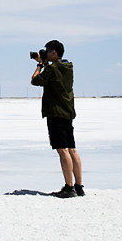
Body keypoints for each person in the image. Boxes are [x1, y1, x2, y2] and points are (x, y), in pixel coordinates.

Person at [29, 40, 82, 198]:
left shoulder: (52, 69)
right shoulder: (68, 67)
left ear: (54, 52)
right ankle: (79, 186)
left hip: (56, 113)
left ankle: (69, 187)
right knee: (72, 149)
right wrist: (46, 63)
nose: (45, 53)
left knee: (62, 150)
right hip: (67, 112)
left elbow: (35, 80)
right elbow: (54, 78)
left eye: (47, 50)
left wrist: (40, 65)